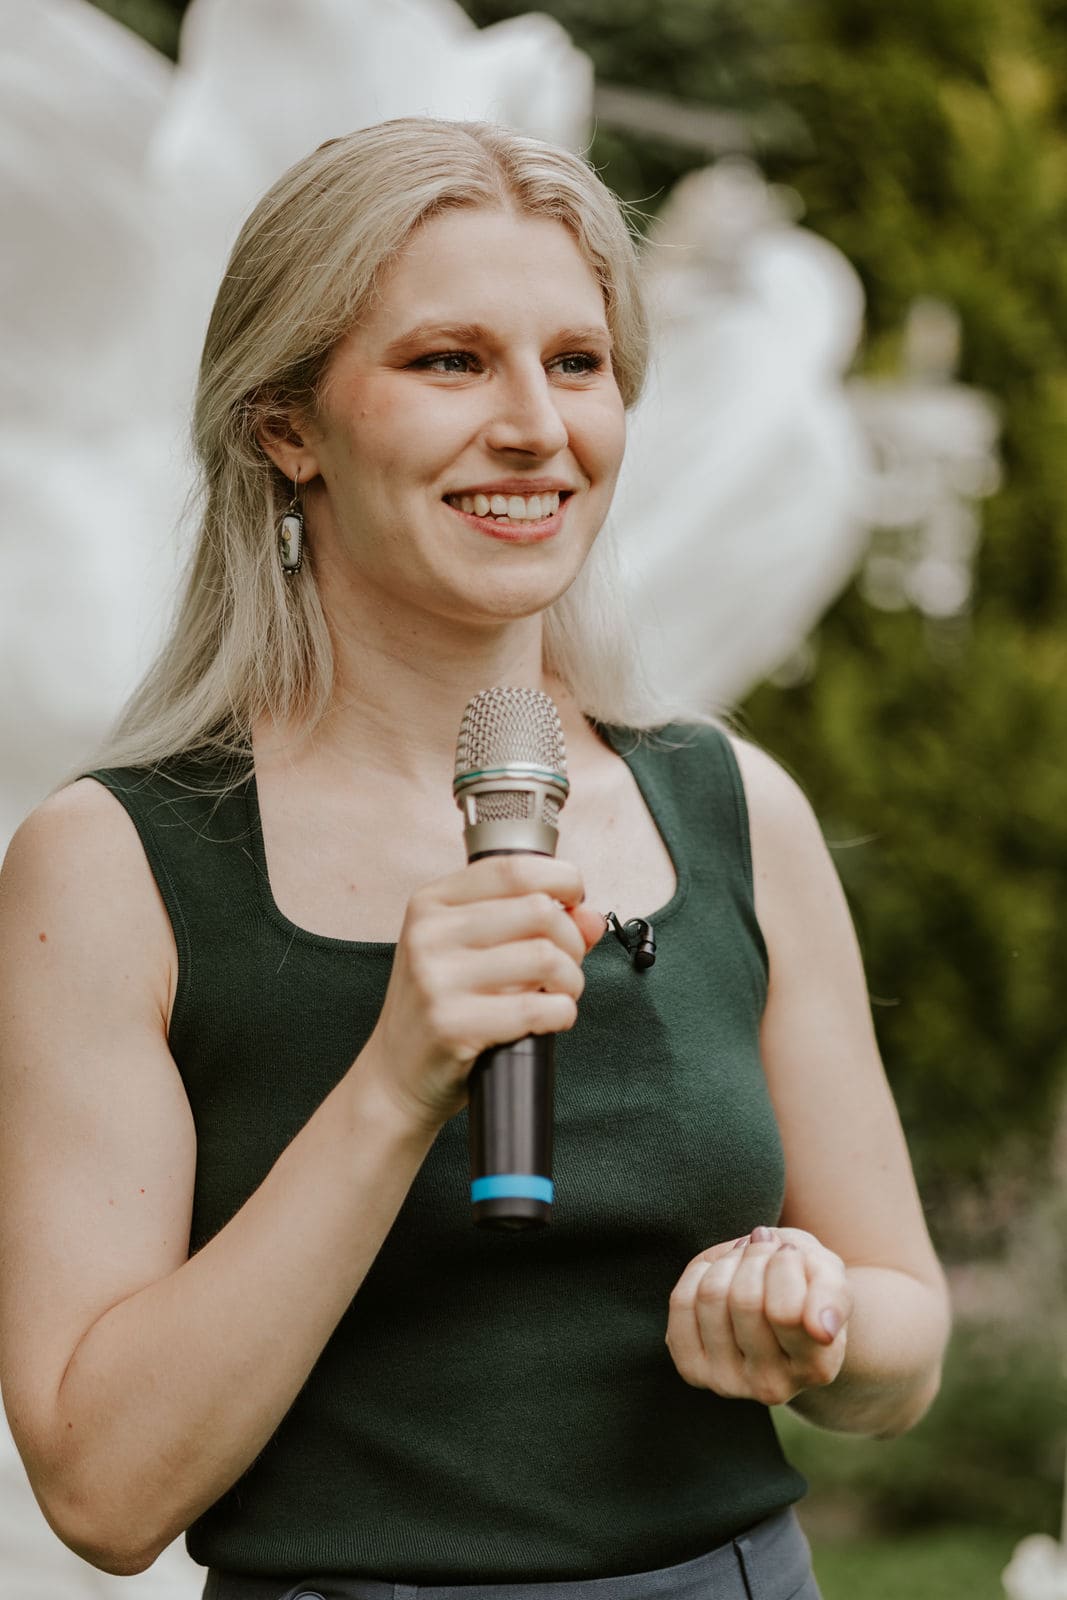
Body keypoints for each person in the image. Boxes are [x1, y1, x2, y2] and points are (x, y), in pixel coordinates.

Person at [0, 118, 950, 1600]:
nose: (534, 427)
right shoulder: (115, 863)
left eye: (577, 363)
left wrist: (814, 1315)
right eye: (451, 362)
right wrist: (394, 1083)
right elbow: (103, 1492)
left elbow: (906, 1347)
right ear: (285, 426)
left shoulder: (732, 807)